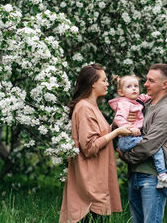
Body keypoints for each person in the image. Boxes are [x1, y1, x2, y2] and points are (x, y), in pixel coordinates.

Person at [59, 63, 133, 223]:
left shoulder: (92, 106)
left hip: (97, 182)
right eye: (104, 80)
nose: (107, 84)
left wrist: (116, 126)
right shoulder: (84, 107)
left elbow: (99, 134)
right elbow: (90, 147)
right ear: (93, 83)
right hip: (90, 187)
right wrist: (116, 132)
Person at [118, 63, 167, 223]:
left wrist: (126, 157)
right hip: (135, 175)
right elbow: (122, 126)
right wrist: (117, 126)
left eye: (151, 81)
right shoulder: (141, 104)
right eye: (146, 80)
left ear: (164, 84)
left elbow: (149, 145)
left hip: (153, 178)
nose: (145, 84)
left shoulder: (166, 110)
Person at [109, 75, 167, 189]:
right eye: (129, 86)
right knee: (156, 148)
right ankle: (162, 175)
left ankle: (162, 175)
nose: (134, 89)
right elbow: (118, 118)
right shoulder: (124, 103)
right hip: (127, 138)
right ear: (121, 92)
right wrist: (129, 128)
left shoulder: (137, 100)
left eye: (136, 86)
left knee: (153, 147)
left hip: (129, 139)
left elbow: (147, 97)